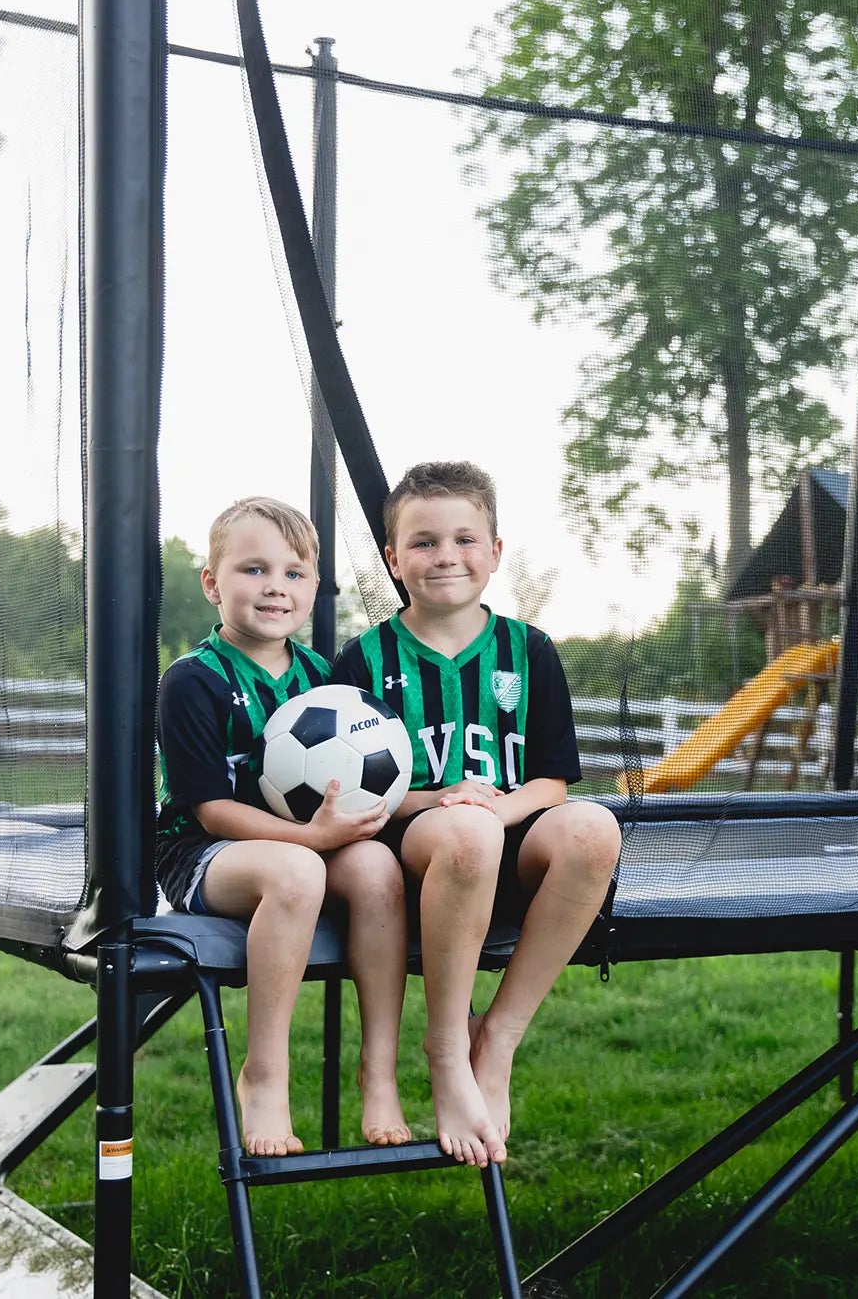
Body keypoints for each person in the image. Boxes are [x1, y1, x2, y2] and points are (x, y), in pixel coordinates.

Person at [332, 462, 621, 1167]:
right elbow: (343, 790)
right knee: (464, 830)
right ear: (394, 559)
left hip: (510, 835)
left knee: (595, 827)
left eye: (465, 538)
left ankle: (496, 1040)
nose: (446, 556)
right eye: (424, 542)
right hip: (419, 845)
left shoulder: (532, 652)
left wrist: (494, 802)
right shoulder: (363, 661)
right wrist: (440, 799)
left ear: (495, 552)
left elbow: (551, 781)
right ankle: (444, 1049)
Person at [154, 496, 410, 1156]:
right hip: (206, 852)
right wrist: (314, 840)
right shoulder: (190, 682)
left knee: (379, 868)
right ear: (212, 582)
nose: (276, 587)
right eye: (253, 569)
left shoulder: (325, 681)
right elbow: (211, 809)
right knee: (296, 872)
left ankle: (379, 1070)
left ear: (315, 589)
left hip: (309, 841)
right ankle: (264, 1075)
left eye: (295, 573)